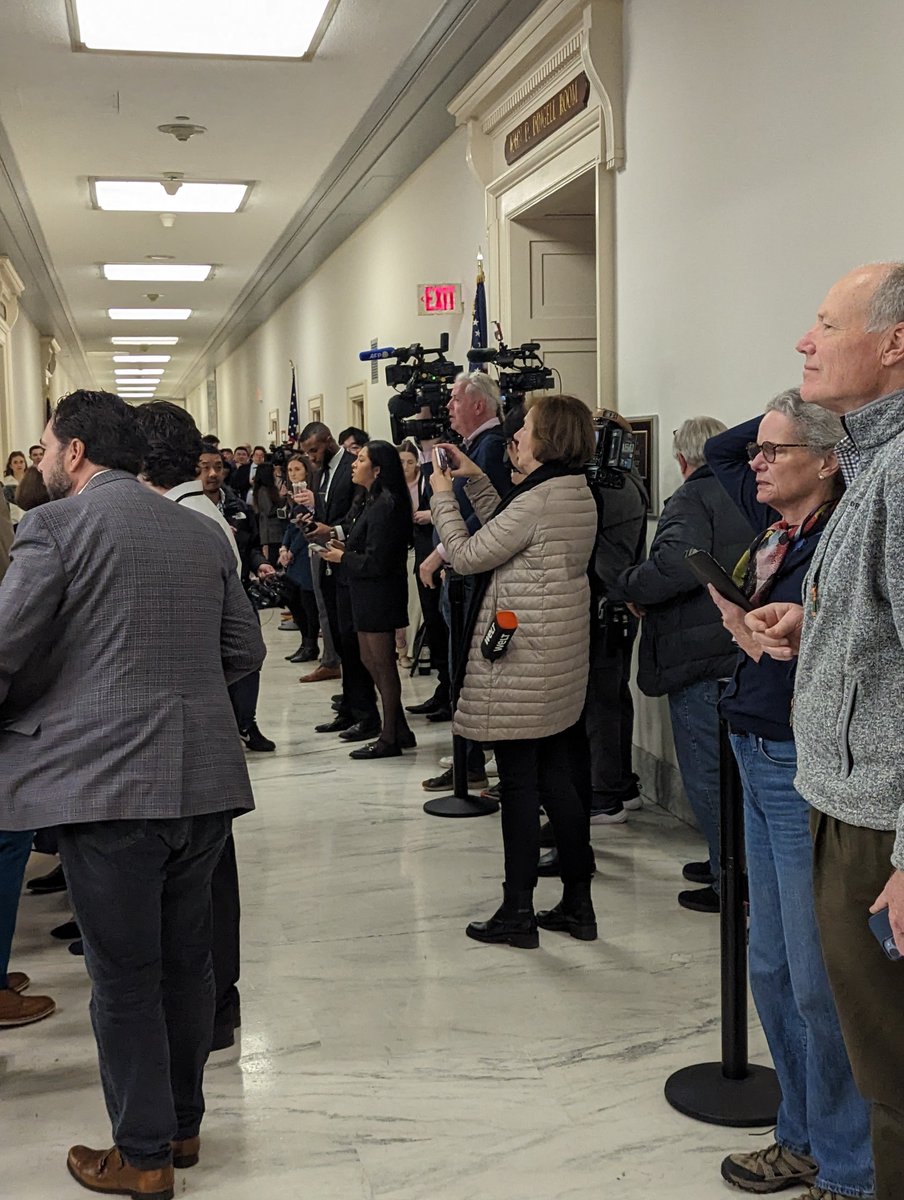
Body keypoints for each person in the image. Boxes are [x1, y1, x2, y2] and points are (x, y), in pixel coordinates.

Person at [0, 389, 265, 1198]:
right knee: (187, 963)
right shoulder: (198, 528)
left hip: (107, 787)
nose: (42, 459)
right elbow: (245, 648)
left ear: (76, 451)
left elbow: (5, 648)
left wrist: (56, 711)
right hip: (202, 782)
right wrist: (177, 695)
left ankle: (143, 1156)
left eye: (47, 446)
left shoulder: (55, 526)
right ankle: (182, 1126)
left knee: (123, 978)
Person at [748, 262, 904, 1200]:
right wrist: (819, 624)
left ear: (895, 343)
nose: (806, 341)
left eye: (827, 324)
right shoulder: (875, 457)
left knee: (892, 1077)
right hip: (845, 801)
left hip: (880, 823)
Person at [705, 391, 873, 1200]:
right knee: (769, 965)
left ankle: (847, 1168)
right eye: (761, 450)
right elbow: (722, 452)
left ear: (830, 460)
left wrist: (824, 403)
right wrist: (797, 404)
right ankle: (801, 1135)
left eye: (777, 452)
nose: (758, 463)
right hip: (753, 742)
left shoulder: (844, 530)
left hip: (800, 759)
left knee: (815, 979)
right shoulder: (779, 528)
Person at [430, 394, 598, 947]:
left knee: (521, 787)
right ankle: (578, 904)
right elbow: (510, 526)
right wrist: (478, 479)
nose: (516, 437)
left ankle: (517, 911)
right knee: (556, 780)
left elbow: (467, 553)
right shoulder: (570, 490)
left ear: (550, 438)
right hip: (555, 661)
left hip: (523, 666)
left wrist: (442, 496)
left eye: (525, 428)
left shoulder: (542, 498)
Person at [608, 417, 753, 913]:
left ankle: (730, 879)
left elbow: (675, 564)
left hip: (698, 655)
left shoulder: (693, 497)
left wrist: (630, 586)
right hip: (739, 650)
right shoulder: (750, 490)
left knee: (706, 771)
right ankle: (726, 862)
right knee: (735, 773)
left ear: (683, 460)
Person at [418, 371, 511, 792]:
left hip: (471, 570)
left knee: (469, 668)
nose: (449, 406)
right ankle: (468, 757)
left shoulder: (490, 446)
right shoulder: (474, 445)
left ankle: (472, 759)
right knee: (462, 667)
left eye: (455, 399)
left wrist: (440, 553)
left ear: (478, 404)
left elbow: (485, 513)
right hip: (462, 568)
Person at [321, 441, 415, 758]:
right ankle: (399, 727)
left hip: (380, 593)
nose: (353, 463)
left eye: (360, 459)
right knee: (368, 659)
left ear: (377, 469)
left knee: (383, 665)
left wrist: (342, 557)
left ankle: (389, 737)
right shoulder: (369, 499)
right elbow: (364, 543)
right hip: (364, 591)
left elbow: (377, 561)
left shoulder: (387, 505)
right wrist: (343, 548)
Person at [300, 421, 380, 739]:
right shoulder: (322, 471)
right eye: (307, 452)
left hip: (349, 561)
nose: (311, 457)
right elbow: (330, 511)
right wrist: (314, 523)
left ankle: (364, 712)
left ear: (329, 441)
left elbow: (356, 516)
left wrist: (332, 530)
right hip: (329, 560)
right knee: (339, 637)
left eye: (314, 450)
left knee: (352, 643)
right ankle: (348, 708)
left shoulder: (350, 467)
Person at [278, 454, 321, 664]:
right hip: (293, 554)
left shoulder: (312, 496)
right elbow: (291, 525)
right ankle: (305, 642)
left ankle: (311, 644)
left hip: (305, 554)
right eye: (290, 470)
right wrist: (283, 547)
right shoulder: (293, 496)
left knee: (307, 602)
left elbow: (306, 528)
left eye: (297, 469)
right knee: (293, 600)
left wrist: (291, 550)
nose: (293, 474)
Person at [252, 461, 288, 559]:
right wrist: (282, 499)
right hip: (271, 531)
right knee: (274, 557)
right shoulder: (263, 491)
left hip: (275, 529)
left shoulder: (270, 489)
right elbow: (269, 511)